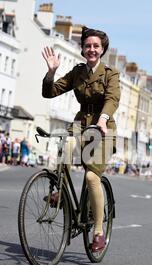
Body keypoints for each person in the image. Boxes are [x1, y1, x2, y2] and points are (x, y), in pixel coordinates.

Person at [41, 26, 120, 252]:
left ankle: (97, 231)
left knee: (91, 177)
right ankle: (60, 190)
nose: (92, 49)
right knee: (66, 143)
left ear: (102, 49)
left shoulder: (110, 74)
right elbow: (50, 92)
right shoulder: (77, 72)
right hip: (81, 124)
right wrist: (51, 72)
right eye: (88, 46)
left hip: (104, 129)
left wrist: (103, 119)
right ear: (83, 49)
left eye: (96, 46)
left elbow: (113, 99)